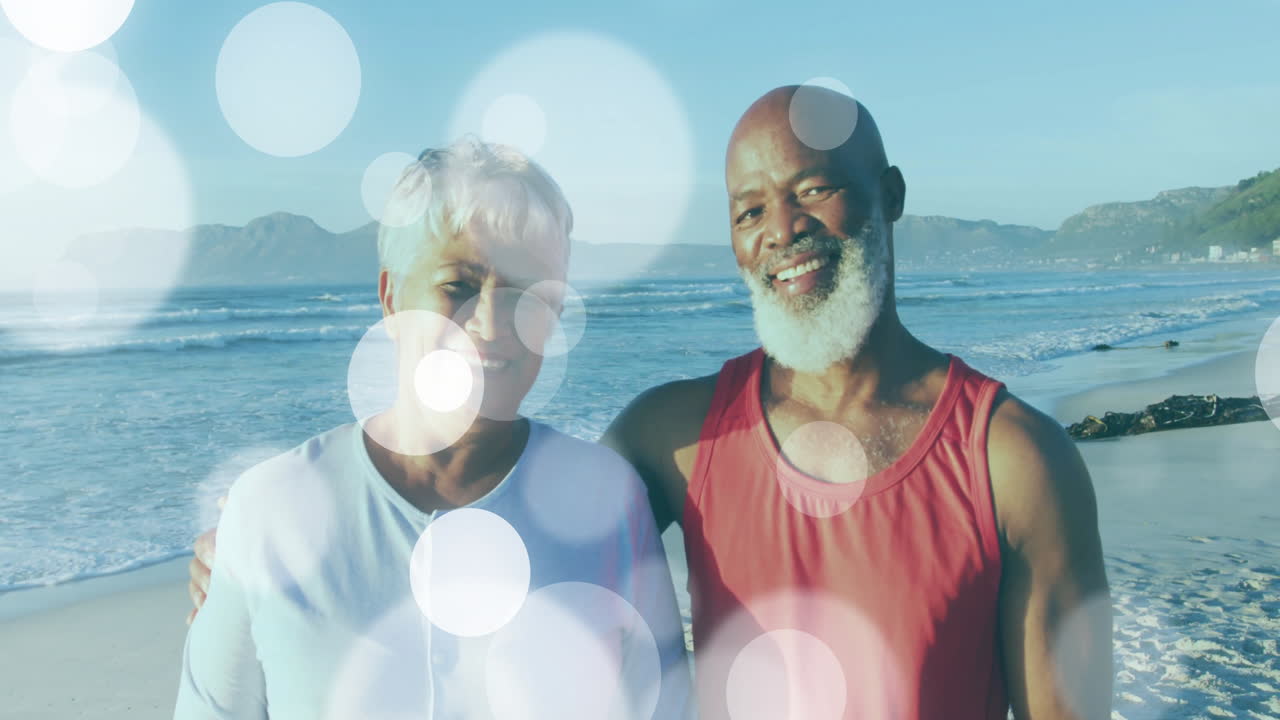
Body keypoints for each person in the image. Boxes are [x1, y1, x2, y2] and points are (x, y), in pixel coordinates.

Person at [188, 89, 1112, 719]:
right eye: (749, 209)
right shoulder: (678, 438)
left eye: (814, 189)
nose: (781, 229)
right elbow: (496, 491)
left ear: (889, 196)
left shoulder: (1011, 459)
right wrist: (248, 540)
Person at [175, 138, 692, 719]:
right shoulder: (272, 511)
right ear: (392, 299)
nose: (492, 321)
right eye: (459, 286)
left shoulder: (606, 499)